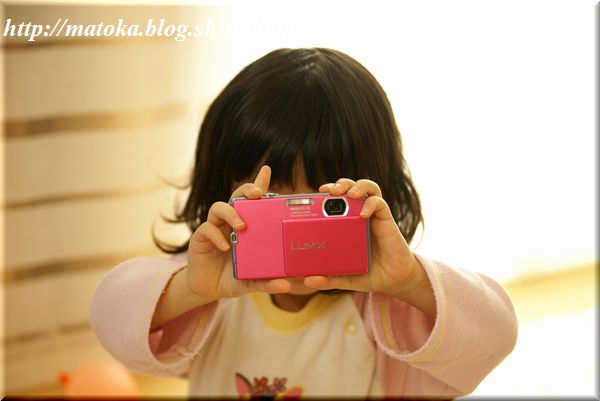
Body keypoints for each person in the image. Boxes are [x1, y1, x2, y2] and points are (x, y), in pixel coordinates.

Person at [90, 47, 517, 398]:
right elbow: (110, 317)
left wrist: (410, 282)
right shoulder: (212, 287)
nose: (299, 230)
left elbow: (497, 335)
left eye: (324, 203)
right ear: (222, 188)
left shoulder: (391, 309)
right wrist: (189, 290)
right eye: (271, 201)